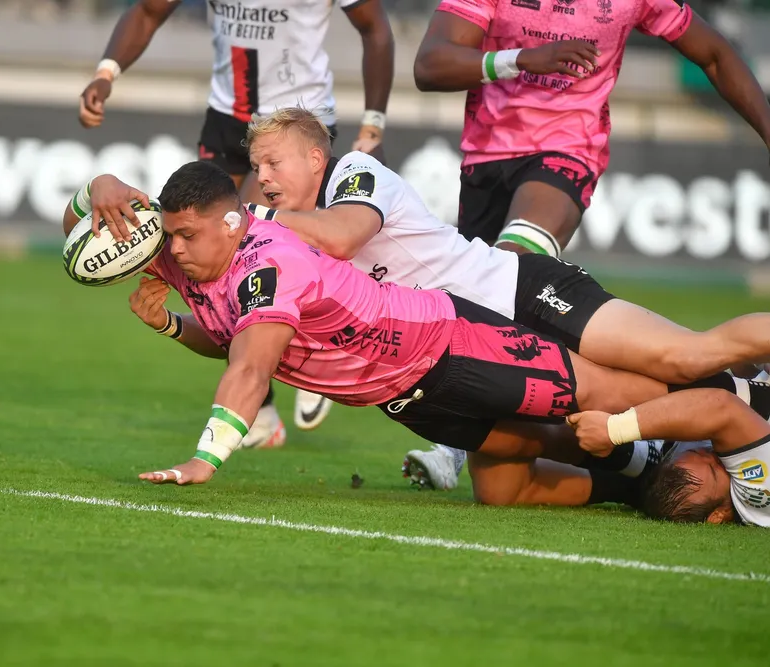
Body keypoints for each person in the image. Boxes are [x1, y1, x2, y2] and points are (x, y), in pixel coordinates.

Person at [69, 159, 768, 514]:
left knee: (635, 384)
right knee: (509, 480)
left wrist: (207, 458)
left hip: (452, 342)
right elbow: (212, 329)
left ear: (228, 224)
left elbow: (251, 367)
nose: (173, 250)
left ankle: (742, 404)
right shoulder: (188, 255)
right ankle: (640, 483)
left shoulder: (266, 262)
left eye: (186, 235)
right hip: (404, 394)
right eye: (168, 235)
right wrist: (101, 191)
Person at [77, 0, 395, 448]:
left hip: (295, 120)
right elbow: (149, 11)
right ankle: (262, 411)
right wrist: (106, 73)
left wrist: (373, 125)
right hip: (227, 117)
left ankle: (314, 344)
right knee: (211, 266)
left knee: (249, 248)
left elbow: (375, 26)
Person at [411, 0, 770, 256]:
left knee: (511, 265)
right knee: (474, 301)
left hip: (568, 150)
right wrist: (521, 59)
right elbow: (429, 67)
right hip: (486, 152)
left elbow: (716, 56)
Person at [569, 388, 770, 527]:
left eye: (696, 452)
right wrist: (614, 430)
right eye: (714, 469)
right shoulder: (755, 492)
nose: (713, 454)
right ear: (719, 515)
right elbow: (722, 407)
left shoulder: (673, 457)